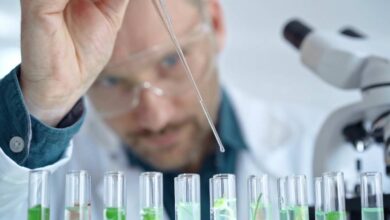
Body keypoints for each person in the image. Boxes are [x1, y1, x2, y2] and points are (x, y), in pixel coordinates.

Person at [0, 0, 326, 219]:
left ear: (214, 23)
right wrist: (46, 102)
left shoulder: (332, 148)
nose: (155, 118)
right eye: (111, 81)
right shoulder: (49, 178)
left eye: (172, 62)